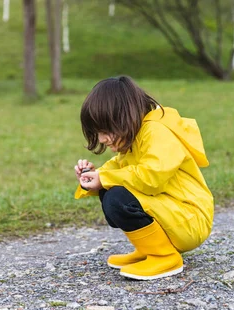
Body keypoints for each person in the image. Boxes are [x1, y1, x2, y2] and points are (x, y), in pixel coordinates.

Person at [74, 76, 214, 280]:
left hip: (189, 217)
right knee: (110, 191)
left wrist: (104, 178)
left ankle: (164, 256)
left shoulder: (157, 132)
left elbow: (151, 177)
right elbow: (116, 170)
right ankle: (149, 249)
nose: (102, 139)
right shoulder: (135, 139)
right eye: (98, 133)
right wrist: (92, 178)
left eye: (105, 131)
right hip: (174, 214)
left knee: (117, 198)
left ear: (123, 118)